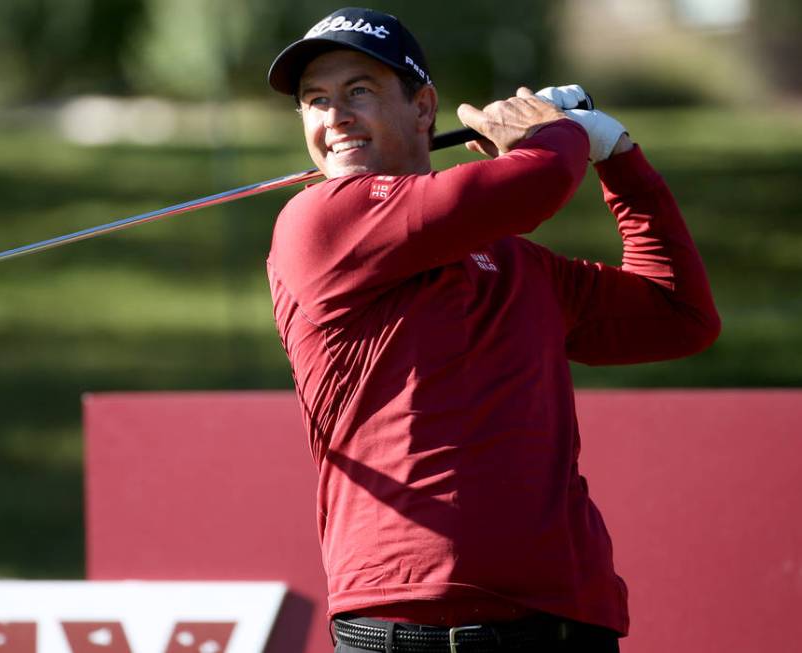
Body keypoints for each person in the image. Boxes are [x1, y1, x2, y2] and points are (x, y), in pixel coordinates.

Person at [265, 7, 720, 652]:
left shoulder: (515, 263)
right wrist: (556, 134)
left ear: (424, 107)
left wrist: (620, 159)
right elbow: (534, 183)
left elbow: (679, 317)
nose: (333, 115)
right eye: (315, 100)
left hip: (566, 619)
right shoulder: (316, 222)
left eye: (358, 91)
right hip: (410, 624)